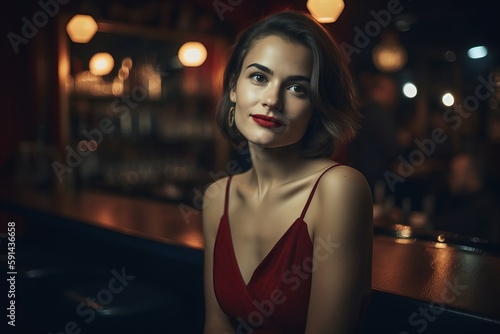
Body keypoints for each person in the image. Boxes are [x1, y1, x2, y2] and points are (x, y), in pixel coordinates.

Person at [203, 11, 373, 334]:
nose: (272, 100)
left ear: (316, 108)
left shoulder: (340, 189)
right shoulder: (216, 197)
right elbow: (215, 325)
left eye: (297, 88)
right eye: (258, 77)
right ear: (233, 88)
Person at [432, 152, 500, 242]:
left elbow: (448, 226)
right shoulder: (460, 198)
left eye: (455, 173)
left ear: (471, 175)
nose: (450, 178)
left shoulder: (482, 205)